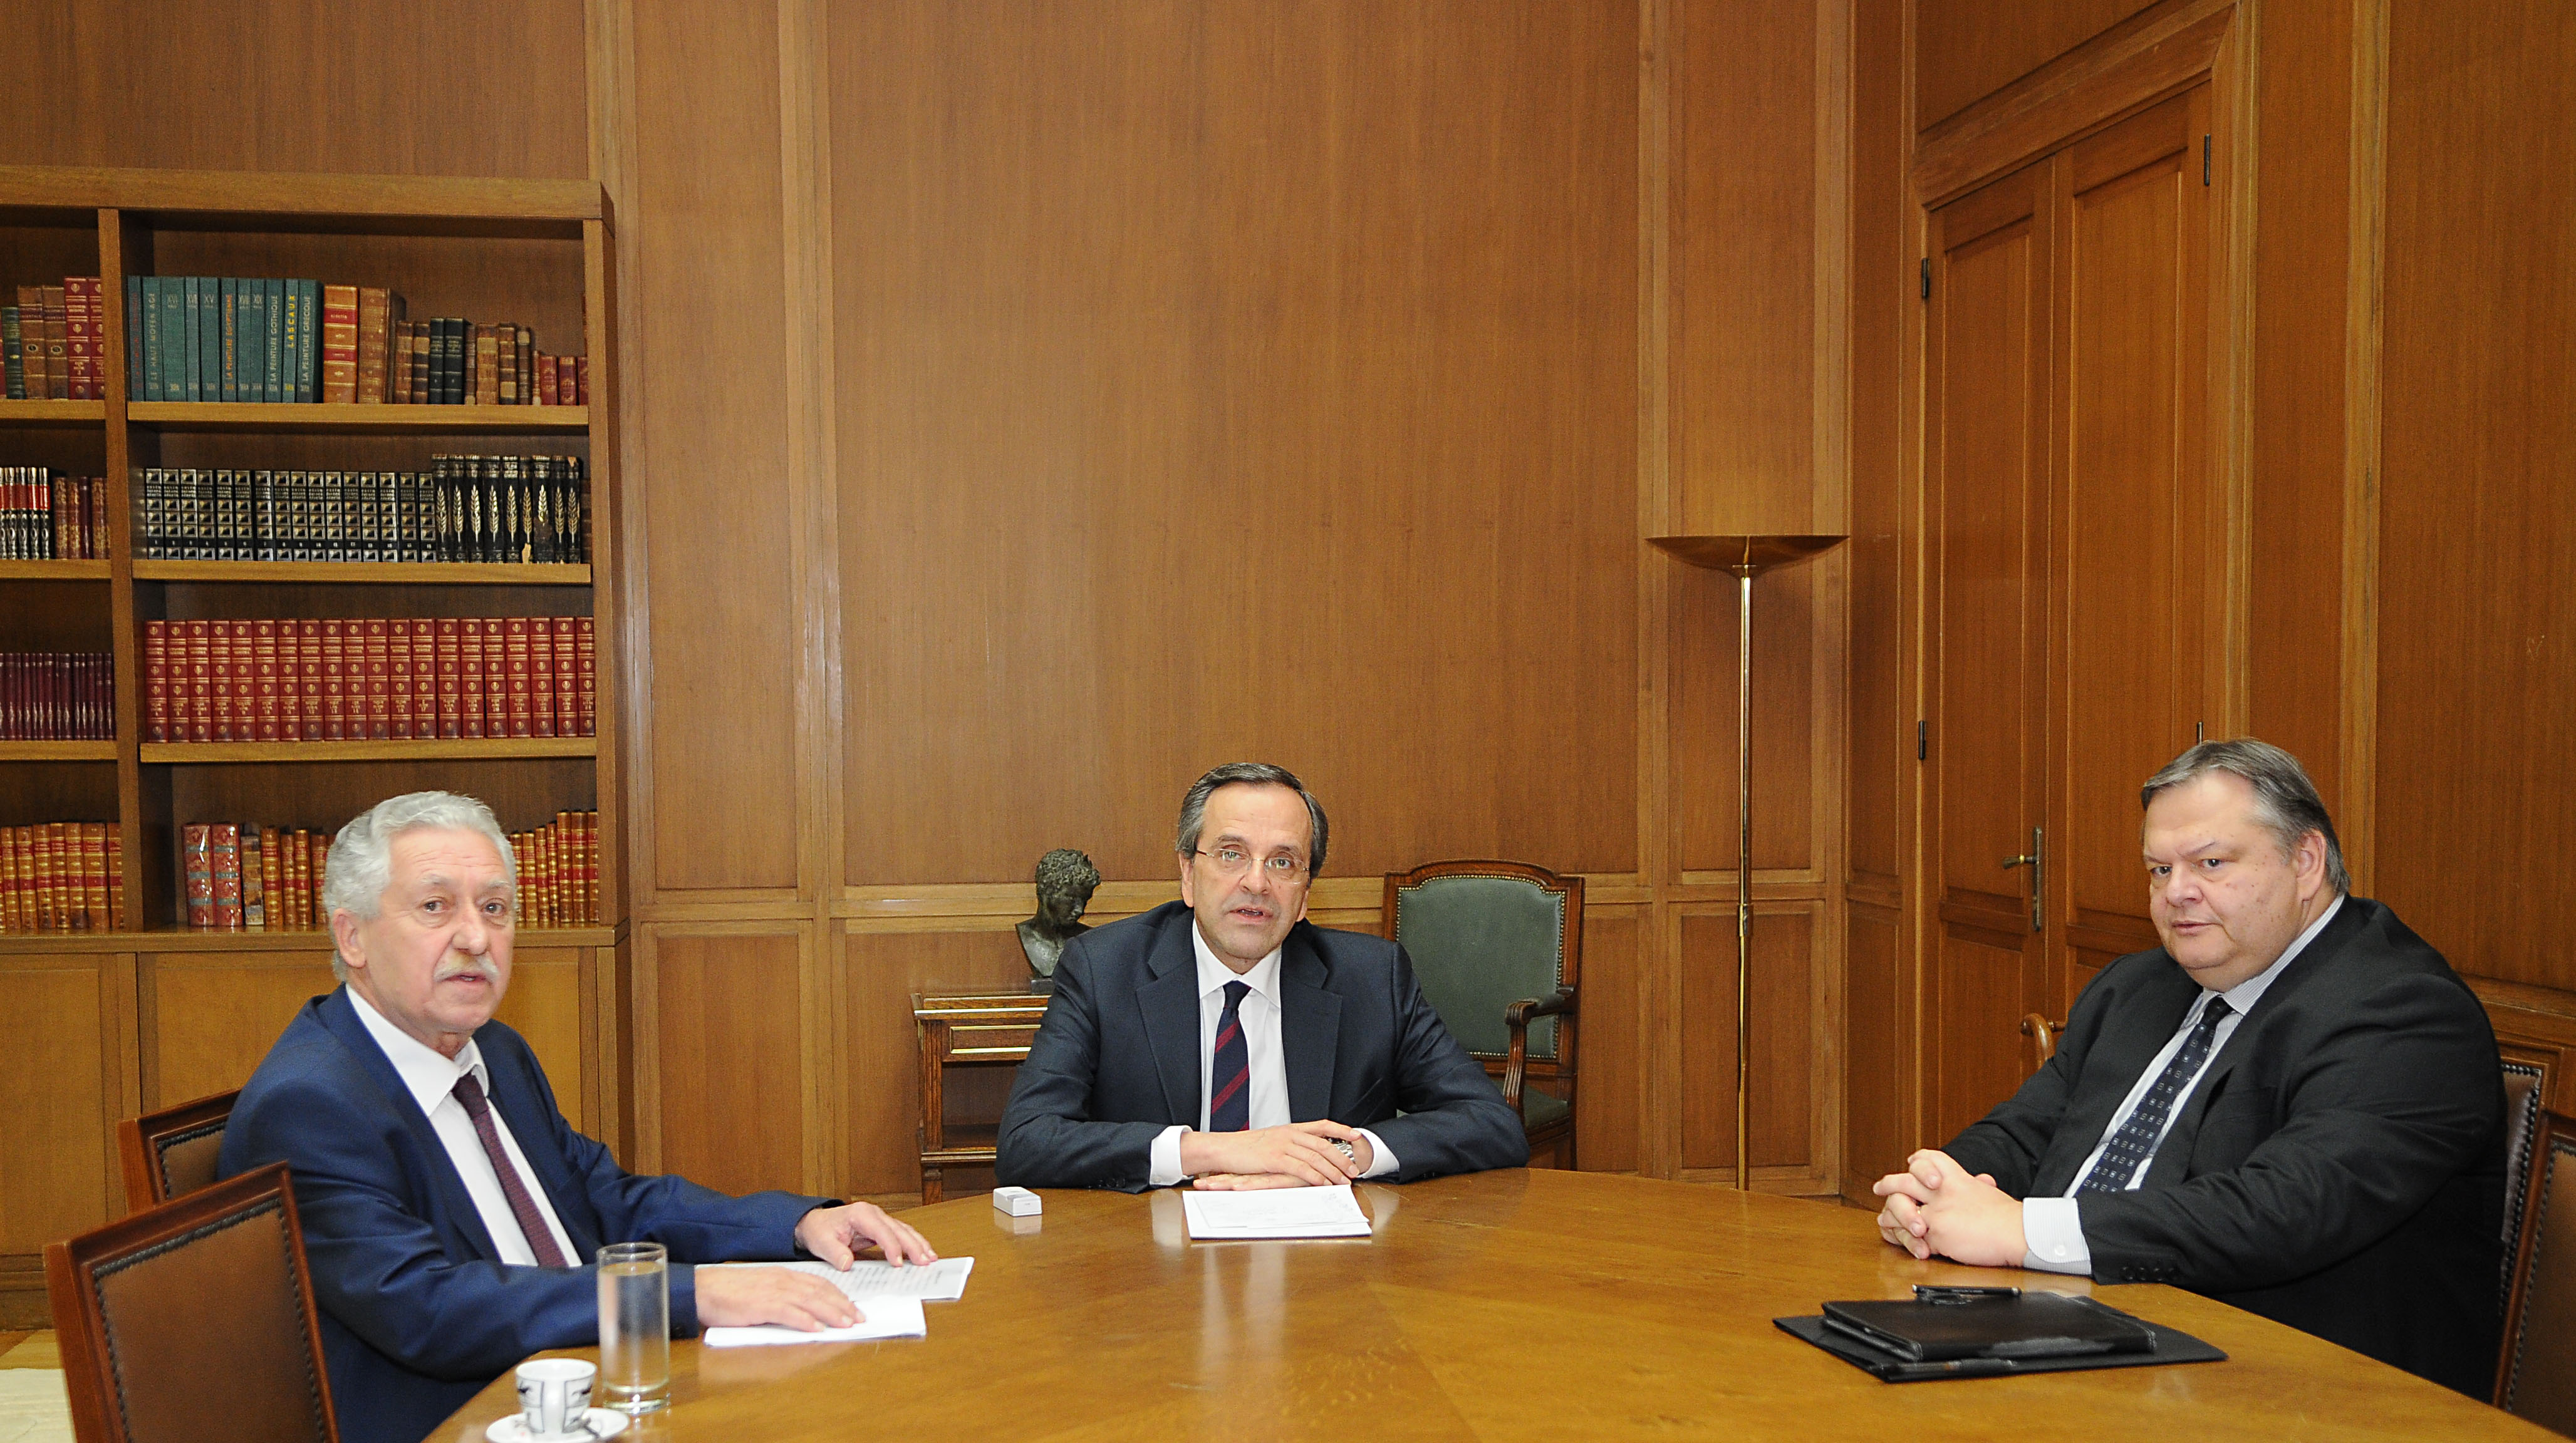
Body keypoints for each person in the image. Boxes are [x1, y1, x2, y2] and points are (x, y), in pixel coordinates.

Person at [218, 792, 938, 1443]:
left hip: (588, 1386)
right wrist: (687, 1292)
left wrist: (794, 1225)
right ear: (352, 938)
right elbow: (426, 1308)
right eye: (435, 907)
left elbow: (607, 1200)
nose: (475, 938)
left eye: (495, 909)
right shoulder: (311, 1106)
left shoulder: (494, 1052)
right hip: (461, 1418)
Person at [1872, 739, 2505, 1395]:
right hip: (2075, 1337)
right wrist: (1935, 1194)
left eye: (2210, 863)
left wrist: (2019, 1230)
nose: (2177, 893)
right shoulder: (2139, 985)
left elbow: (2279, 1210)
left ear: (2305, 861)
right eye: (2158, 870)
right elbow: (2029, 1130)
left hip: (2288, 1386)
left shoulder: (2405, 1012)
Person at [995, 762, 1527, 1191]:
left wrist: (1337, 1157)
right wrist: (1213, 1150)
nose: (1256, 883)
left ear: (1305, 894)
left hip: (1325, 1261)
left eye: (1283, 862)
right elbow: (1027, 1142)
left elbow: (1491, 1123)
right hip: (1156, 1255)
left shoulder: (1371, 978)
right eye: (1232, 855)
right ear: (1188, 873)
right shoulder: (1104, 968)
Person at [1017, 846, 1101, 990]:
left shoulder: (1089, 938)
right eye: (1071, 898)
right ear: (1047, 891)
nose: (1080, 910)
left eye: (1085, 900)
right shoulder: (1026, 935)